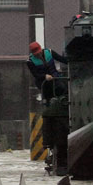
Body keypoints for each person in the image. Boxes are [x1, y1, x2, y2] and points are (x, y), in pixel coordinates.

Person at [26, 41, 69, 176]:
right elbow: (35, 75)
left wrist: (72, 62)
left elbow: (62, 60)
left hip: (55, 78)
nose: (38, 54)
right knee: (50, 94)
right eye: (35, 53)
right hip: (44, 83)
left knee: (61, 88)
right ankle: (52, 104)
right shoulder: (30, 62)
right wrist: (45, 76)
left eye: (38, 51)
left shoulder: (49, 52)